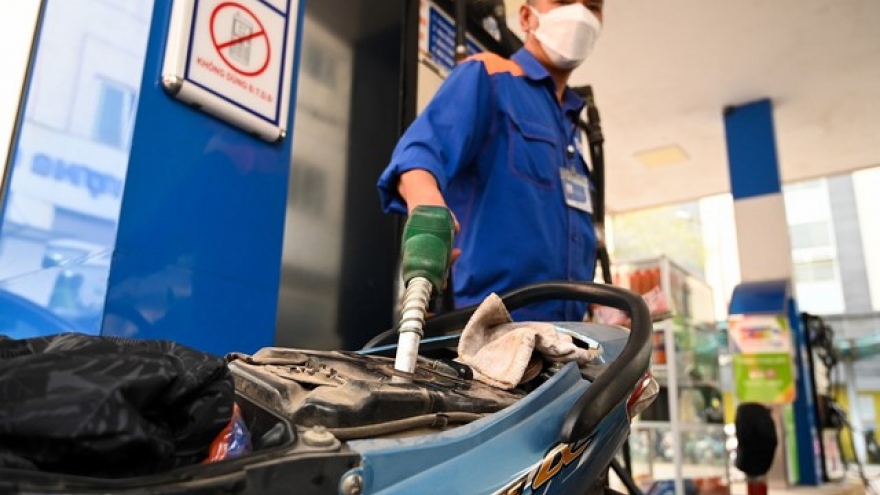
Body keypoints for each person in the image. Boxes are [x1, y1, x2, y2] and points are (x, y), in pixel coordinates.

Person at [378, 0, 605, 322]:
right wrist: (429, 213)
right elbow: (418, 154)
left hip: (566, 336)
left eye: (592, 6)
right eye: (564, 1)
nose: (580, 14)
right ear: (526, 17)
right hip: (485, 328)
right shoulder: (489, 75)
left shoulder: (572, 123)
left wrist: (595, 307)